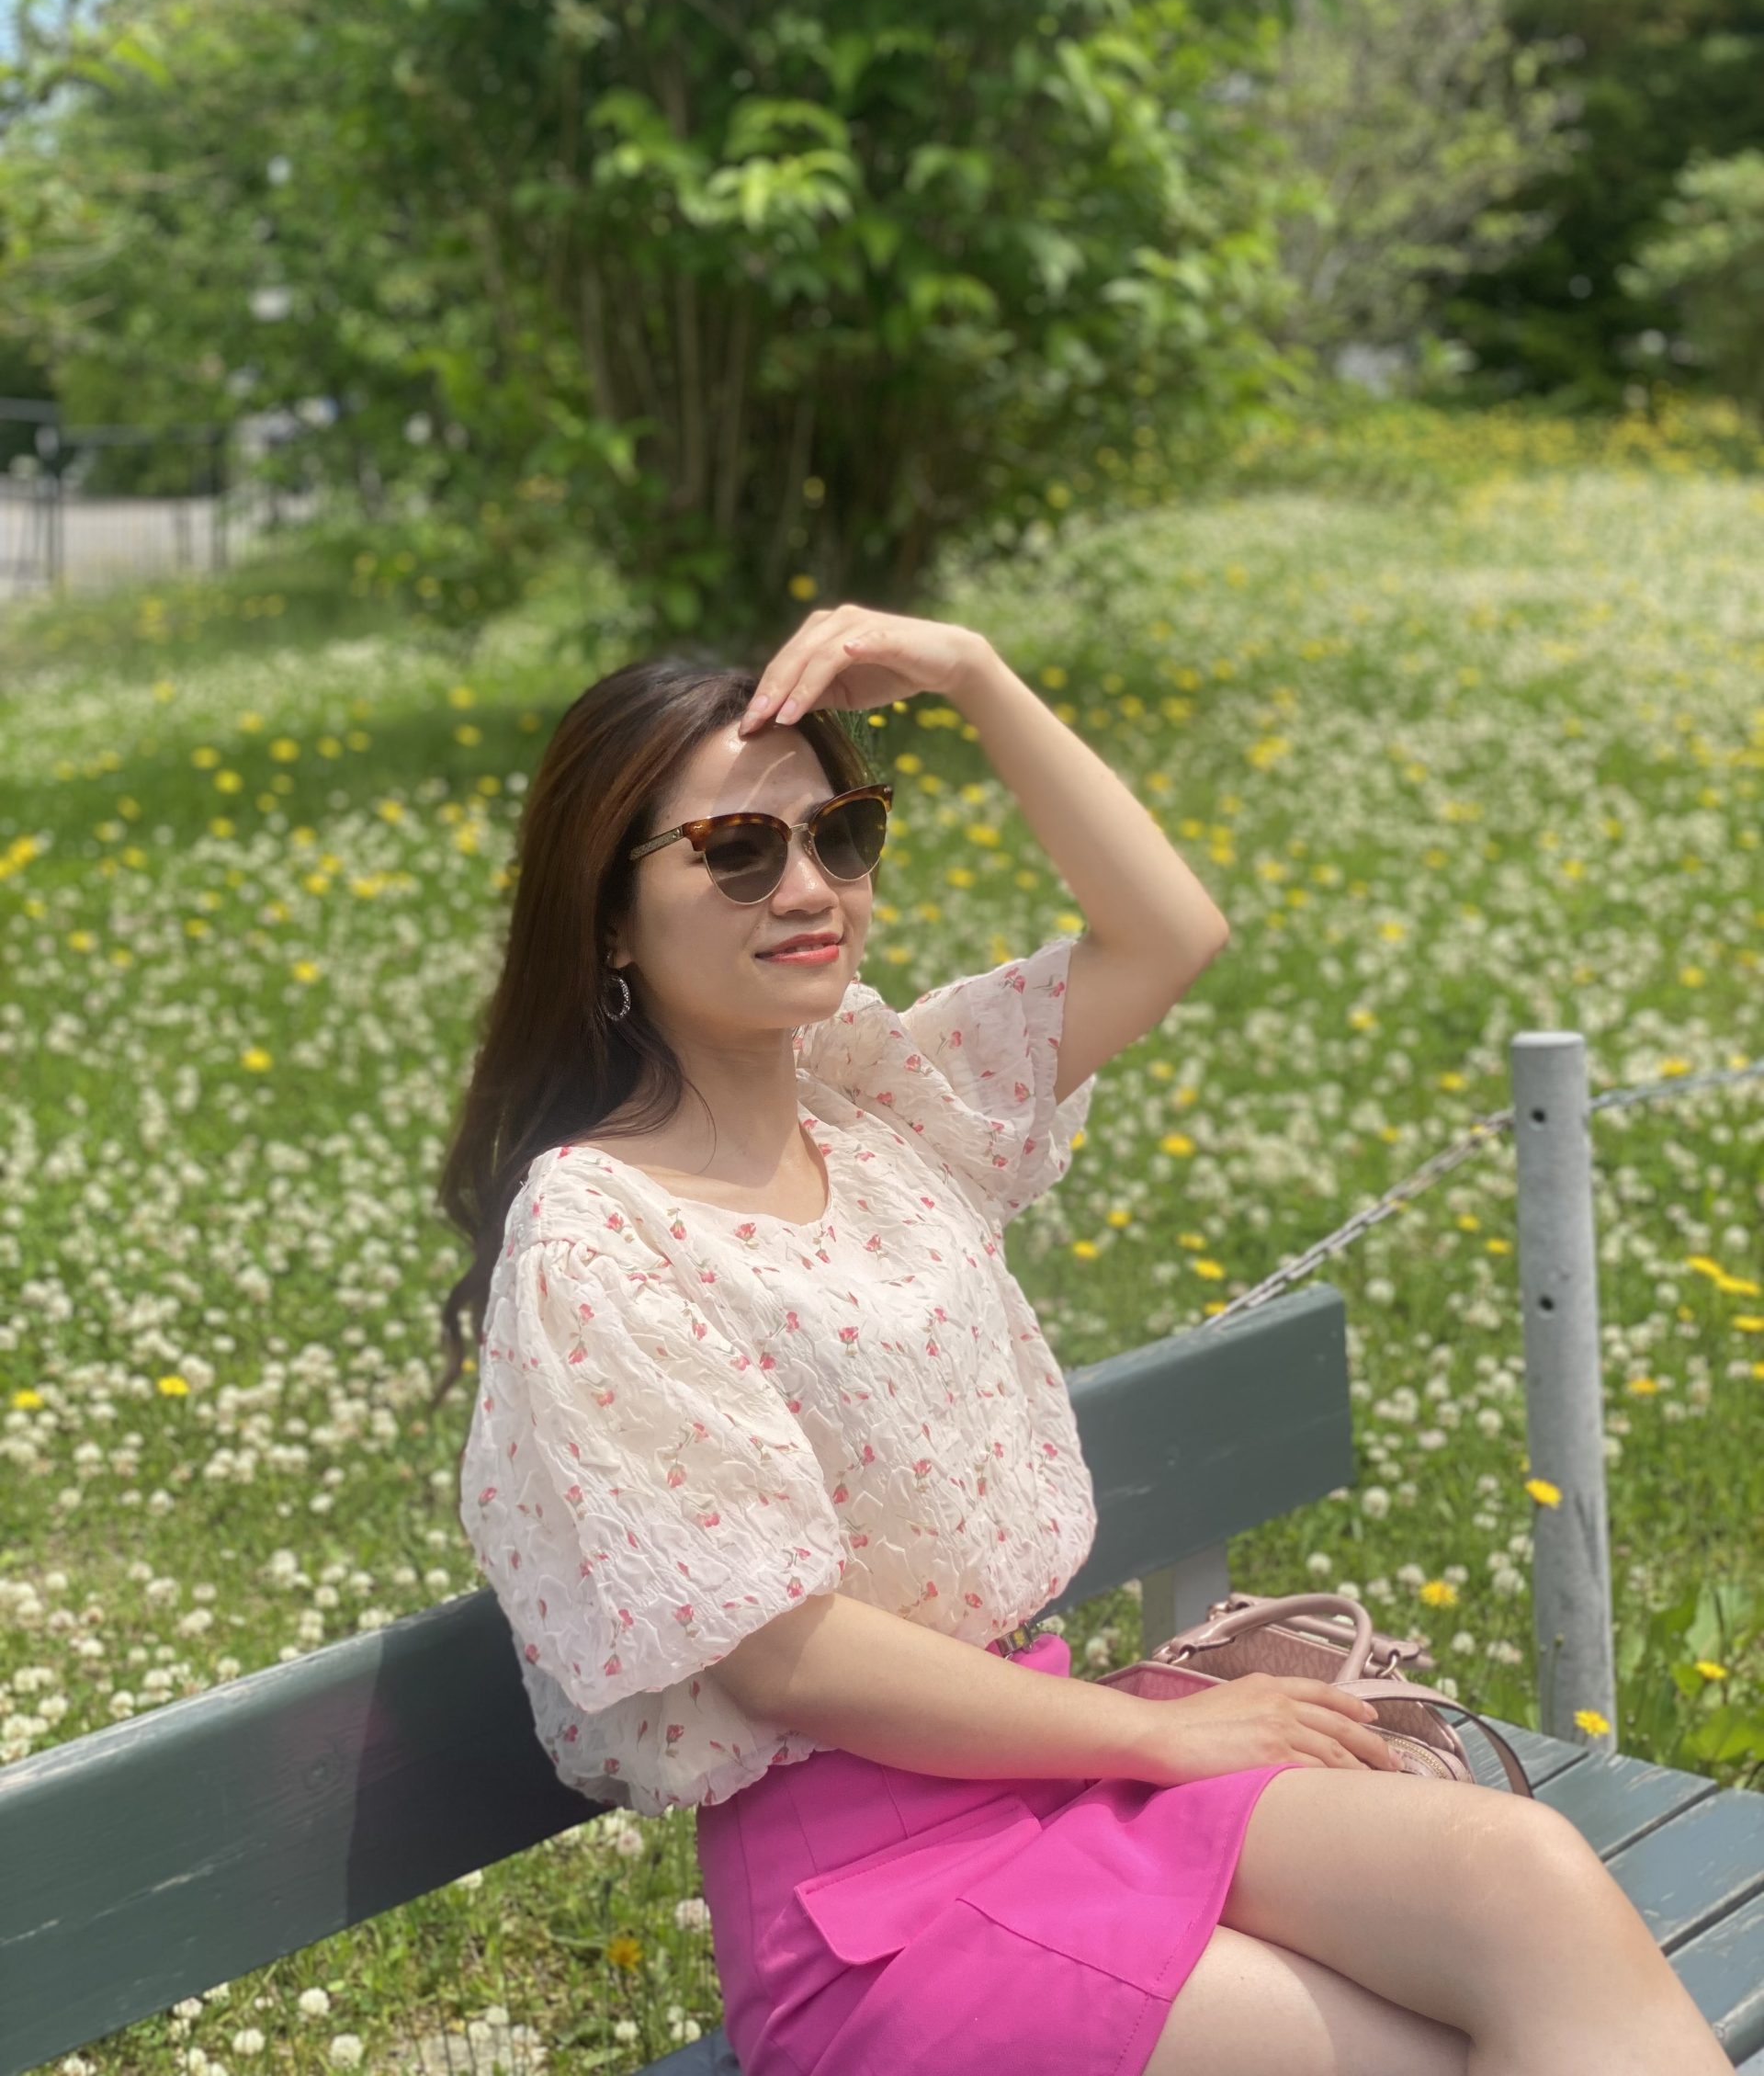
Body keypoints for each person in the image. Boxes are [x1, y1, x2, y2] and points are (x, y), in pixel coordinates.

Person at [437, 604, 1729, 2076]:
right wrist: (1160, 1738)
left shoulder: (879, 1108)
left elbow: (1169, 936)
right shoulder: (599, 1235)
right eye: (736, 850)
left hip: (1055, 1771)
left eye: (840, 835)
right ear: (608, 915)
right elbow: (784, 1656)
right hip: (875, 1910)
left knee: (1527, 1881)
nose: (808, 888)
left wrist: (974, 674)